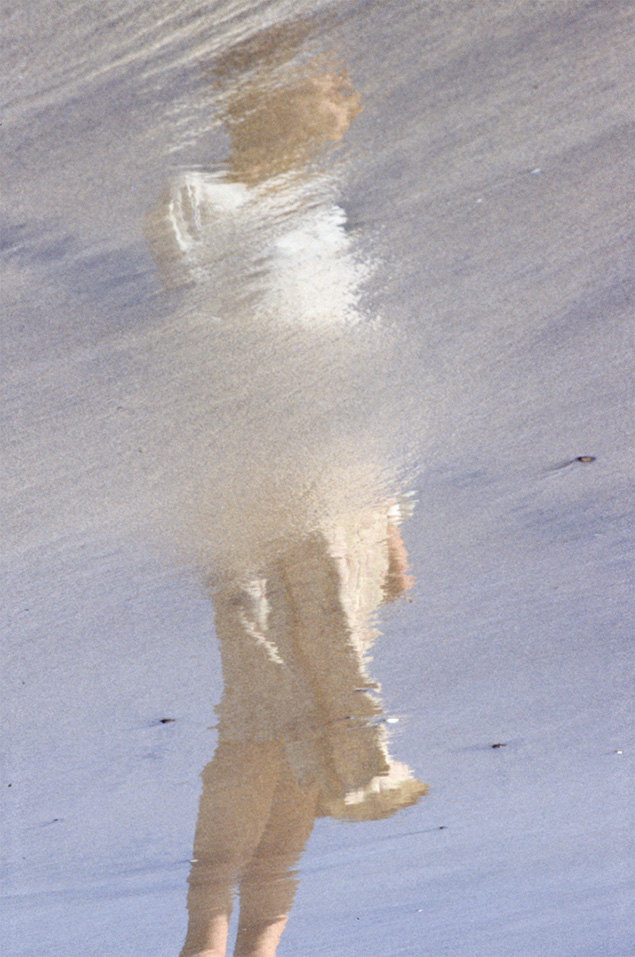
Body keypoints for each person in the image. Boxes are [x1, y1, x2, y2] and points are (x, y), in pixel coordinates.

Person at [145, 23, 427, 957]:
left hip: (342, 483)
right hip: (248, 474)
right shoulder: (195, 197)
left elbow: (351, 363)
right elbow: (189, 352)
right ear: (267, 89)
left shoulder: (327, 217)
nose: (348, 97)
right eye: (329, 82)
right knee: (261, 701)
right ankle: (204, 933)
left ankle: (264, 936)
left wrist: (387, 518)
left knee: (326, 704)